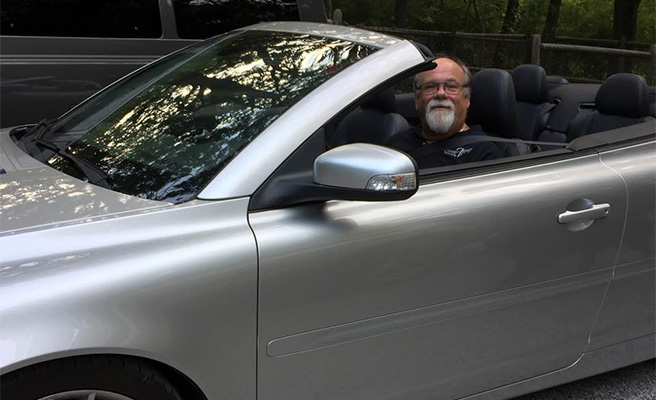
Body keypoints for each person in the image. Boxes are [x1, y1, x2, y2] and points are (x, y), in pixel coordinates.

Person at [385, 55, 504, 168]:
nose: (440, 93)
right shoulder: (397, 144)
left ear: (467, 99)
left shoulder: (484, 154)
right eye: (430, 86)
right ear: (417, 100)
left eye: (451, 86)